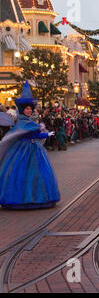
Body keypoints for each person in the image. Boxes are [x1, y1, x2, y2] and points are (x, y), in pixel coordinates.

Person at [0, 82, 59, 210]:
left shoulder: (30, 122)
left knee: (36, 174)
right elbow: (30, 133)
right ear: (22, 110)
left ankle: (37, 197)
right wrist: (44, 133)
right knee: (21, 174)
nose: (29, 111)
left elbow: (35, 135)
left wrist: (45, 133)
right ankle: (21, 199)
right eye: (27, 109)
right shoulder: (22, 123)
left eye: (30, 109)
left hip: (34, 149)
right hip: (21, 151)